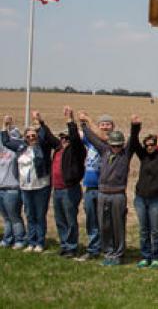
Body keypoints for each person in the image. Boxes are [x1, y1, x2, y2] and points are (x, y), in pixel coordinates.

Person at [75, 109, 139, 266]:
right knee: (105, 225)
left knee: (118, 225)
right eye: (113, 145)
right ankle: (108, 252)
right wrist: (83, 124)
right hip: (103, 194)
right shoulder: (104, 151)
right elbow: (92, 138)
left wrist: (135, 125)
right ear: (109, 144)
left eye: (118, 145)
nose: (116, 148)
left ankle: (118, 253)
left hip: (118, 195)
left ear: (122, 145)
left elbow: (133, 138)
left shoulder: (125, 154)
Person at [2, 111, 57, 252]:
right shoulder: (21, 148)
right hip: (26, 188)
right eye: (29, 136)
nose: (32, 138)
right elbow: (6, 141)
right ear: (25, 138)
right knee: (30, 215)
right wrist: (5, 125)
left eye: (34, 135)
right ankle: (31, 242)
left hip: (41, 187)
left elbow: (48, 137)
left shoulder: (43, 147)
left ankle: (40, 242)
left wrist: (40, 122)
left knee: (39, 215)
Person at [130, 117, 158, 268]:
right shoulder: (143, 156)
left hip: (157, 199)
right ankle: (145, 256)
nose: (150, 147)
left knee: (155, 230)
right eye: (147, 145)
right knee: (143, 230)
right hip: (141, 198)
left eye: (152, 145)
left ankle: (156, 257)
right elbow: (134, 143)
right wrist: (135, 127)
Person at [50, 109, 86, 258]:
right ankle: (64, 245)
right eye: (62, 137)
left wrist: (71, 121)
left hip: (69, 190)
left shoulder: (77, 150)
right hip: (57, 190)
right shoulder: (57, 151)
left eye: (67, 137)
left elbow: (76, 139)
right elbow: (47, 137)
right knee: (60, 219)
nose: (64, 140)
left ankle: (71, 247)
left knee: (70, 219)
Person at [77, 112, 111, 261]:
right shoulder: (90, 141)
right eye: (102, 124)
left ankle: (108, 248)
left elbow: (102, 136)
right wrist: (76, 120)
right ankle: (93, 249)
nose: (105, 126)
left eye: (107, 124)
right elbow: (76, 135)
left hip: (104, 189)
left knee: (106, 221)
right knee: (91, 220)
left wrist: (88, 120)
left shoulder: (112, 141)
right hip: (90, 187)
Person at [0, 115, 26, 250]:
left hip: (12, 188)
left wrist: (8, 125)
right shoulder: (2, 149)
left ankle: (20, 239)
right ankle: (7, 238)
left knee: (14, 216)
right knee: (6, 217)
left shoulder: (17, 151)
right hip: (1, 188)